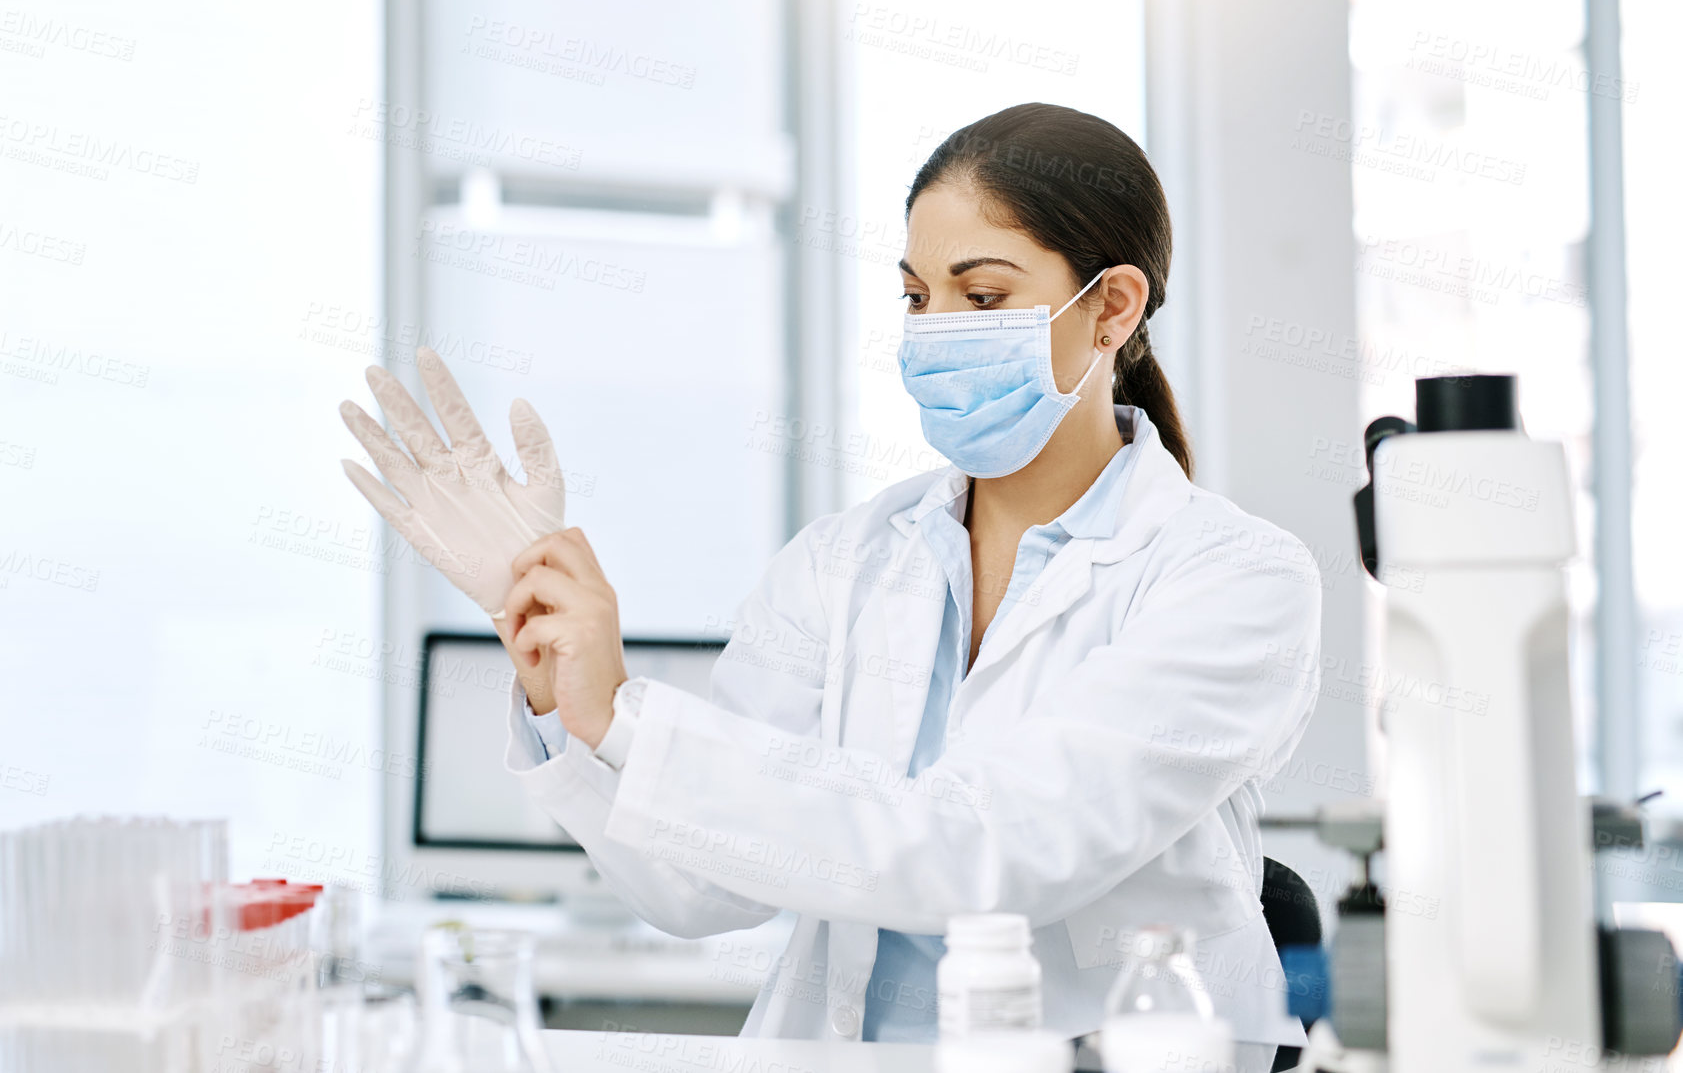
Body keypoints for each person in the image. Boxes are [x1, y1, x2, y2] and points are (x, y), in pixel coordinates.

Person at [342, 102, 1322, 1071]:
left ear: (1112, 307)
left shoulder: (1234, 581)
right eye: (915, 296)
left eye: (979, 299)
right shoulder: (845, 561)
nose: (934, 332)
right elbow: (695, 888)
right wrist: (570, 689)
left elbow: (989, 852)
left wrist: (633, 723)